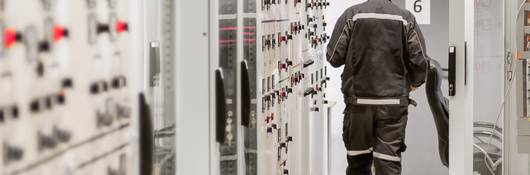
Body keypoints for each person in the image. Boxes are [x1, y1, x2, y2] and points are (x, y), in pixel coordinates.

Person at [326, 0, 430, 174]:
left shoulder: (352, 14)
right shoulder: (405, 18)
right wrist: (415, 82)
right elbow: (420, 61)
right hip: (393, 105)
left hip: (358, 105)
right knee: (388, 165)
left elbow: (334, 56)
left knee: (358, 165)